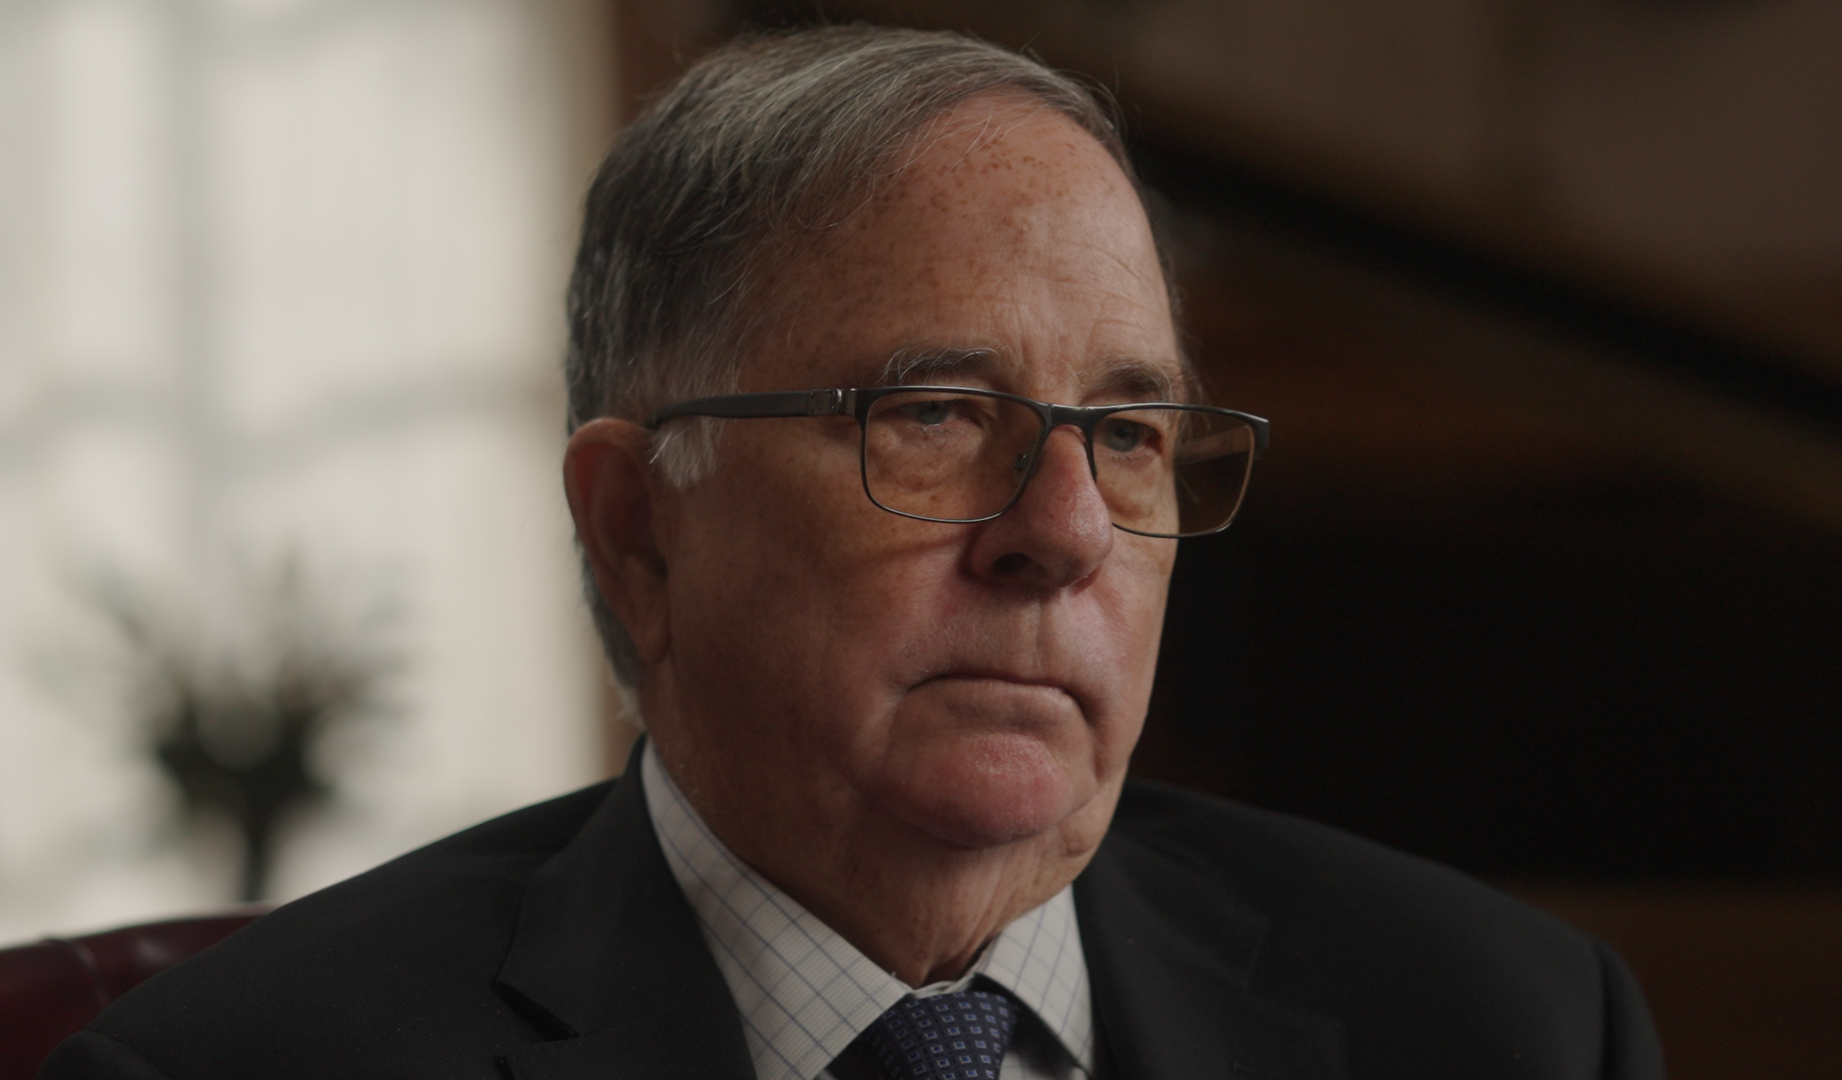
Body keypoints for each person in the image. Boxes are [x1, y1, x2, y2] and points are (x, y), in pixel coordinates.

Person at [42, 26, 1661, 1080]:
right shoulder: (234, 1071)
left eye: (1128, 432)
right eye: (936, 414)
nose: (1065, 534)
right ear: (639, 529)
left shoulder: (1506, 1030)